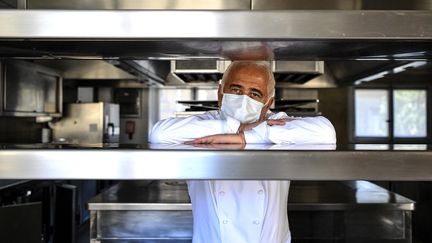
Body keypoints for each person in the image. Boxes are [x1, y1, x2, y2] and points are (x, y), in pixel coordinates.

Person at [150, 61, 336, 243]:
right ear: (220, 94)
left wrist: (246, 137)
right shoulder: (204, 123)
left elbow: (326, 133)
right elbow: (159, 134)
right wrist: (238, 126)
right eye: (236, 90)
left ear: (267, 103)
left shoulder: (276, 121)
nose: (243, 99)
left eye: (254, 94)